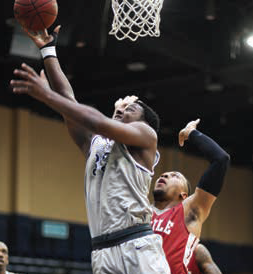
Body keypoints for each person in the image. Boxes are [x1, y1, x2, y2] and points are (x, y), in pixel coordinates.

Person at [10, 27, 171, 273]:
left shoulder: (146, 136)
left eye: (130, 109)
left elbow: (97, 121)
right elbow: (69, 100)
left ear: (143, 122)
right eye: (120, 107)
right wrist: (48, 50)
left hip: (136, 247)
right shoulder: (94, 144)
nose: (121, 109)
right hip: (101, 251)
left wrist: (46, 96)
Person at [151, 119, 230, 273]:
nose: (165, 175)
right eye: (163, 174)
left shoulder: (189, 211)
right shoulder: (141, 212)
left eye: (174, 176)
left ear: (184, 195)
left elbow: (221, 160)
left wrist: (191, 133)